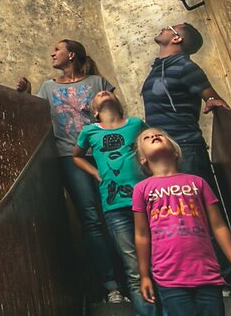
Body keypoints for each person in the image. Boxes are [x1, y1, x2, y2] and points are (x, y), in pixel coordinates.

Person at [17, 39, 124, 303]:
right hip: (69, 156)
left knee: (119, 213)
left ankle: (133, 277)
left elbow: (116, 118)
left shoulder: (98, 83)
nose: (52, 52)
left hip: (105, 154)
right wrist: (28, 94)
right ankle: (111, 286)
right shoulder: (48, 87)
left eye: (58, 49)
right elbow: (37, 116)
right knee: (90, 218)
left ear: (72, 54)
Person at [137, 22, 231, 289]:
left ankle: (226, 278)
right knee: (175, 217)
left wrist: (212, 102)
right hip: (164, 154)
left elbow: (211, 97)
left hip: (186, 147)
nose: (162, 28)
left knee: (202, 212)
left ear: (177, 37)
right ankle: (187, 278)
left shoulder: (185, 66)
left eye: (169, 27)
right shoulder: (158, 68)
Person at [132, 127, 231, 316]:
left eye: (159, 135)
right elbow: (141, 235)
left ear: (175, 151)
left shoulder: (197, 183)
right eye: (147, 138)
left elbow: (219, 226)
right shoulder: (142, 189)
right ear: (143, 159)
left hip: (207, 274)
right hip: (169, 277)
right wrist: (144, 276)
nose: (154, 136)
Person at [74, 90, 150, 315]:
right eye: (97, 95)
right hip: (115, 208)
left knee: (159, 259)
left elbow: (152, 144)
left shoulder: (135, 124)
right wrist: (95, 173)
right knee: (133, 266)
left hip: (146, 201)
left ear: (119, 103)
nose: (103, 93)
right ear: (95, 112)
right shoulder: (90, 131)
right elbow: (76, 156)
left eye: (107, 92)